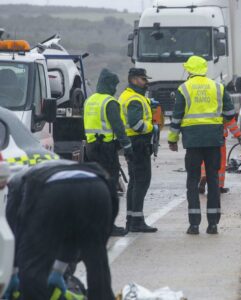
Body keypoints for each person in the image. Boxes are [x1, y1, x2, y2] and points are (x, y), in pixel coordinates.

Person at [3, 160, 117, 300]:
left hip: (53, 191)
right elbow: (72, 234)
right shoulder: (51, 167)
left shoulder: (15, 183)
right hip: (98, 186)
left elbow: (14, 232)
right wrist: (58, 269)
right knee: (97, 261)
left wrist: (13, 272)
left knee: (32, 269)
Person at [168, 55, 236, 235]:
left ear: (189, 70)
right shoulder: (218, 87)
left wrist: (172, 139)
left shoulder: (184, 88)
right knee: (213, 180)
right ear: (205, 69)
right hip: (214, 140)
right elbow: (230, 113)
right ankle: (213, 224)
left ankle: (194, 225)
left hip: (192, 142)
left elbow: (176, 118)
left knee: (192, 181)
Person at [84, 68, 133, 237]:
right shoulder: (110, 102)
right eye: (114, 85)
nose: (115, 88)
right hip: (106, 149)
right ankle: (109, 225)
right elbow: (118, 127)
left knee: (96, 186)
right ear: (109, 84)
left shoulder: (89, 101)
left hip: (91, 149)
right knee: (110, 188)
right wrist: (127, 146)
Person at [118, 68, 157, 233]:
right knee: (142, 181)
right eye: (142, 79)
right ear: (133, 79)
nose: (146, 82)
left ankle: (132, 219)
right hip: (138, 143)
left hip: (132, 143)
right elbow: (136, 124)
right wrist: (151, 127)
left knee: (135, 182)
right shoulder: (134, 99)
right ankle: (137, 222)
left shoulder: (129, 95)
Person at [199, 117, 241, 194]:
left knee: (205, 158)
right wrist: (238, 135)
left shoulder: (200, 104)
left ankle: (204, 174)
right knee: (219, 161)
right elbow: (230, 121)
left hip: (204, 135)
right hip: (218, 136)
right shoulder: (222, 105)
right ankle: (218, 186)